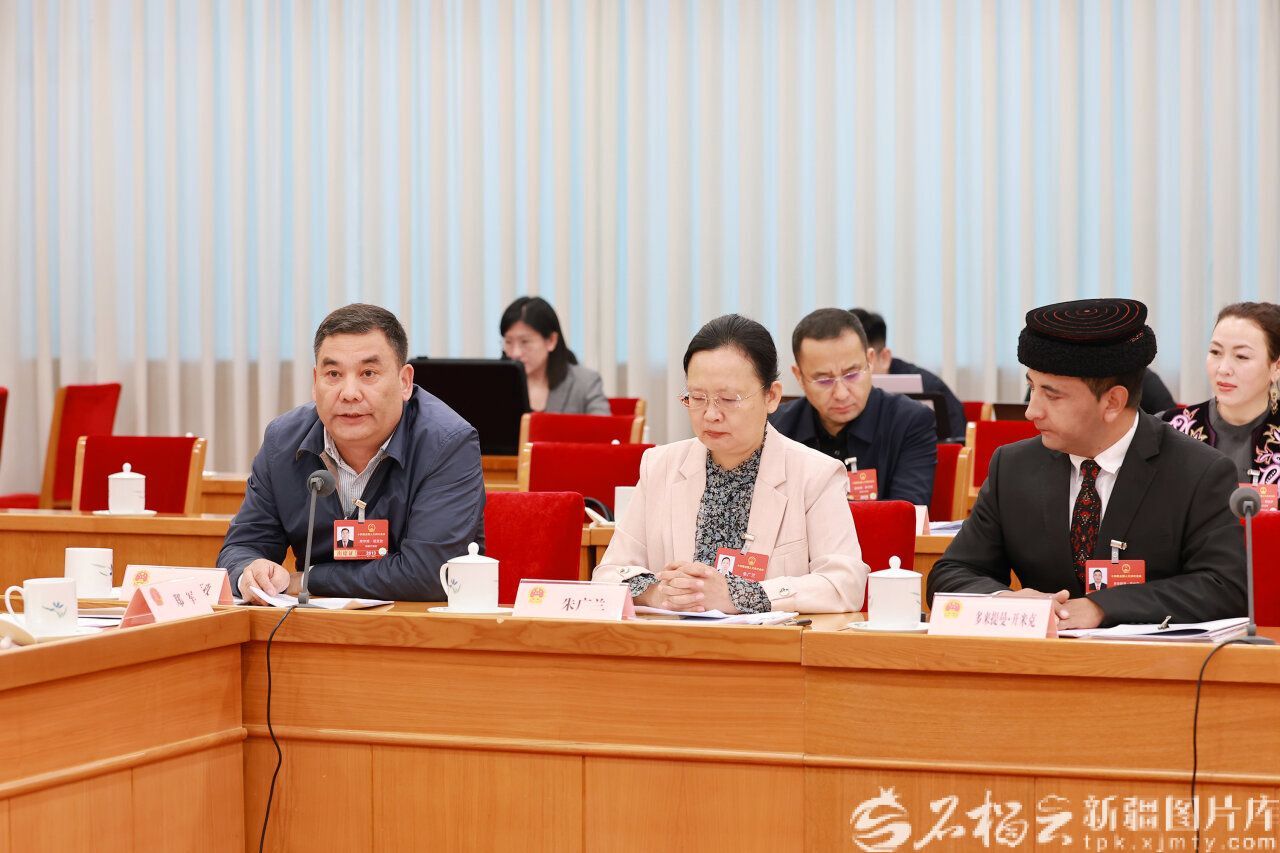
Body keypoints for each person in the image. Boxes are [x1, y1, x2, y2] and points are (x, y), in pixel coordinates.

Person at [927, 298, 1247, 628]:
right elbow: (951, 573)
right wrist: (1005, 600)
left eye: (1052, 395)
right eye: (1031, 388)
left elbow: (1224, 588)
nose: (1032, 411)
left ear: (1113, 402)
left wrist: (1101, 608)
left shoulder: (1197, 472)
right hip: (1038, 656)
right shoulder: (1013, 466)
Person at [593, 314, 867, 614]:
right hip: (672, 638)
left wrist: (739, 596)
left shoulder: (816, 475)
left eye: (728, 399)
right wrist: (662, 594)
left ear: (772, 397)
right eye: (697, 397)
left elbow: (844, 585)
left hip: (768, 642)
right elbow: (609, 573)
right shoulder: (660, 466)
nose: (711, 414)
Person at [220, 304, 486, 602]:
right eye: (333, 374)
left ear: (404, 382)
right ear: (315, 381)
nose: (349, 393)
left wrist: (308, 580)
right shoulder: (282, 442)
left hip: (414, 625)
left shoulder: (447, 444)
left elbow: (429, 574)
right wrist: (250, 571)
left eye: (368, 373)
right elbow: (240, 548)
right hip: (312, 625)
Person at [769, 308, 937, 506]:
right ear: (799, 376)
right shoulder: (774, 428)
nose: (841, 394)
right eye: (824, 379)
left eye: (852, 374)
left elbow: (905, 514)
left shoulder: (910, 421)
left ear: (870, 361)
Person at [1160, 302, 1280, 483]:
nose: (1223, 369)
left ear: (1276, 367)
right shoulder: (1169, 429)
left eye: (1241, 356)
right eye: (1215, 352)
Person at [852, 308, 967, 441]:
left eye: (858, 365)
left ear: (884, 358)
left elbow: (957, 444)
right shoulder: (838, 390)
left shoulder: (928, 388)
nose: (850, 376)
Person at [500, 296, 610, 415]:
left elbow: (604, 425)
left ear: (551, 341)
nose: (515, 353)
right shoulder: (498, 384)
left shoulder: (585, 382)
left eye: (525, 341)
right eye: (508, 342)